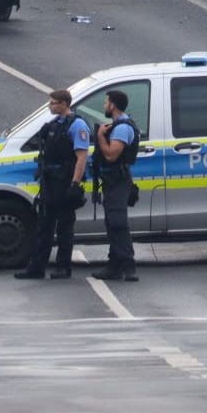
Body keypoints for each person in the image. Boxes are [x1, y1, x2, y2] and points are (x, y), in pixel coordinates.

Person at [16, 89, 92, 281]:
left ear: (64, 104)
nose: (50, 106)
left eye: (53, 103)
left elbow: (81, 158)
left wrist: (75, 183)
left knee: (65, 227)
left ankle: (63, 267)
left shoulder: (77, 125)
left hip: (65, 181)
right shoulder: (53, 125)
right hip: (49, 182)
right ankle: (37, 267)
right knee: (44, 226)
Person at [91, 90, 141, 282]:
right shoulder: (118, 126)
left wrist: (100, 137)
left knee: (118, 223)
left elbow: (111, 154)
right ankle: (114, 266)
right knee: (112, 223)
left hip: (118, 181)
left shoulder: (122, 128)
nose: (104, 106)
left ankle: (129, 266)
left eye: (106, 102)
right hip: (113, 181)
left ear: (113, 105)